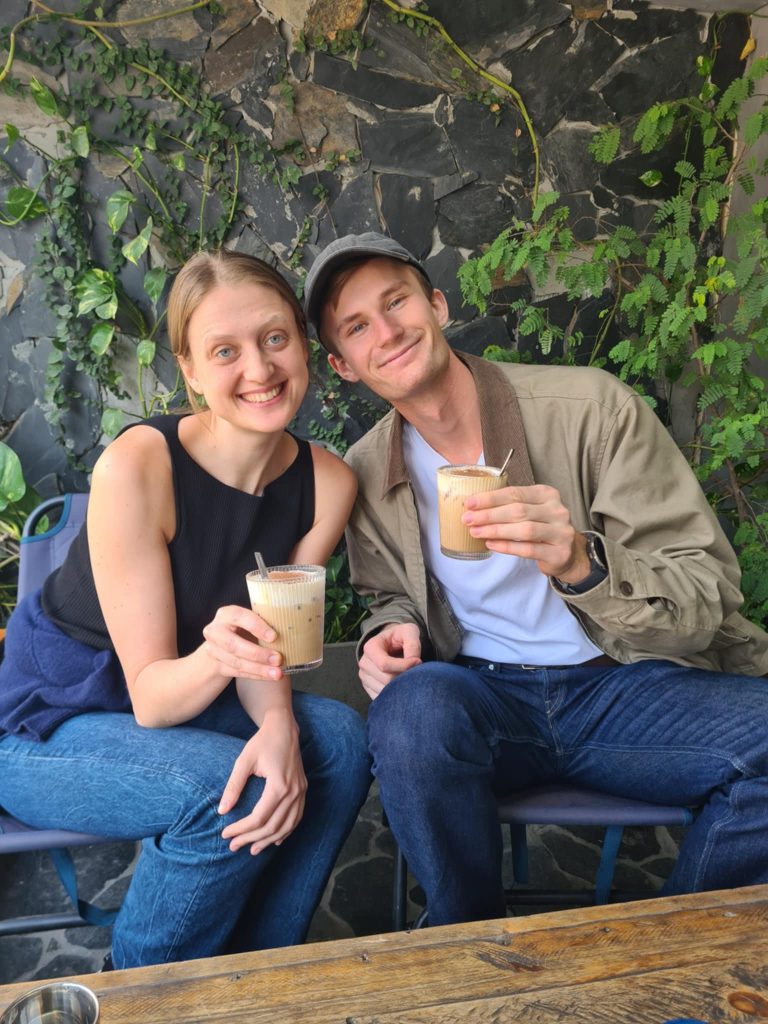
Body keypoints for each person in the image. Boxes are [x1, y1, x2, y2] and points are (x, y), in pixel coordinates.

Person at [302, 231, 768, 927]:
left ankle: (666, 953)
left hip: (624, 685)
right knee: (410, 712)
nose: (388, 332)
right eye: (358, 326)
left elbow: (706, 590)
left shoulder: (592, 410)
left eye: (396, 302)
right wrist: (390, 633)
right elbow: (387, 594)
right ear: (343, 364)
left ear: (437, 304)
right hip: (486, 698)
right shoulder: (365, 473)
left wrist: (583, 564)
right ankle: (473, 946)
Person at [0, 250, 372, 967]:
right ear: (191, 371)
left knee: (339, 743)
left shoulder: (326, 483)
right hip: (48, 722)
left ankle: (259, 973)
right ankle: (142, 994)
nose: (259, 369)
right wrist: (228, 670)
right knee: (221, 790)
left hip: (192, 698)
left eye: (274, 338)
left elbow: (266, 643)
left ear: (301, 344)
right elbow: (153, 699)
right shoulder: (140, 465)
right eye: (225, 351)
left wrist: (280, 728)